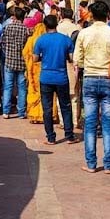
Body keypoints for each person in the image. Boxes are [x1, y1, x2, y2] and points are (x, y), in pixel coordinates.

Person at [75, 1, 110, 173]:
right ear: (107, 14)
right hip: (109, 80)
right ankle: (109, 164)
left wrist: (88, 65)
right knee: (108, 123)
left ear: (91, 15)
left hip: (90, 78)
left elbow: (77, 59)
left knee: (90, 123)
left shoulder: (84, 33)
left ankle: (91, 163)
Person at [32, 15, 76, 145]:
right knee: (65, 106)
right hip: (61, 77)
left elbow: (35, 59)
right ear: (56, 24)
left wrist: (44, 58)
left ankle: (51, 137)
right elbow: (71, 58)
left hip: (46, 77)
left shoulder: (41, 40)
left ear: (45, 25)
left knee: (47, 108)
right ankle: (69, 136)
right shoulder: (65, 40)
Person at [0, 7, 30, 119]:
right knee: (22, 87)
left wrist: (7, 53)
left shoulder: (7, 27)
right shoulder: (25, 29)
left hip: (9, 61)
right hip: (21, 62)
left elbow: (2, 43)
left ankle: (6, 111)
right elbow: (27, 46)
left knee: (8, 86)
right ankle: (21, 112)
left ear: (14, 16)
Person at [55, 9, 81, 119]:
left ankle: (62, 120)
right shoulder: (77, 28)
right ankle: (75, 119)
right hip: (74, 61)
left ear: (61, 16)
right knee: (74, 94)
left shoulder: (57, 28)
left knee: (60, 94)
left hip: (59, 61)